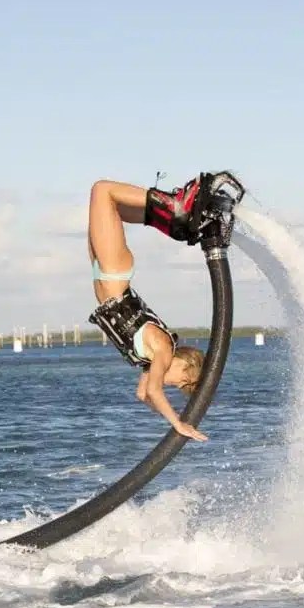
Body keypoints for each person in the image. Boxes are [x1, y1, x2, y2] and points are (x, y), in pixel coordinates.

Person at [87, 175, 212, 441]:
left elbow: (144, 394)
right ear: (186, 367)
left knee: (111, 208)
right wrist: (177, 423)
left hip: (103, 274)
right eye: (179, 382)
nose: (172, 385)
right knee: (103, 191)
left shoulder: (151, 361)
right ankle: (176, 207)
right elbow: (155, 391)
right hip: (114, 274)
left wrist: (168, 418)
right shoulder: (164, 350)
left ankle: (173, 221)